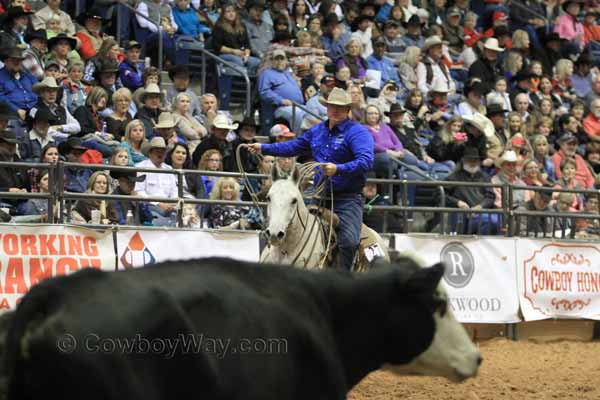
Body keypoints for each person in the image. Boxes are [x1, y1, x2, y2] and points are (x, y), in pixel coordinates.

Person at [247, 87, 374, 271]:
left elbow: (366, 161)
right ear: (327, 107)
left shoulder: (357, 133)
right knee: (288, 226)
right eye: (332, 106)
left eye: (341, 107)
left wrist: (339, 169)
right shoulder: (317, 131)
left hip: (346, 199)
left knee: (348, 241)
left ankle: (344, 281)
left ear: (348, 110)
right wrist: (264, 148)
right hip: (319, 195)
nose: (336, 110)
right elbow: (294, 146)